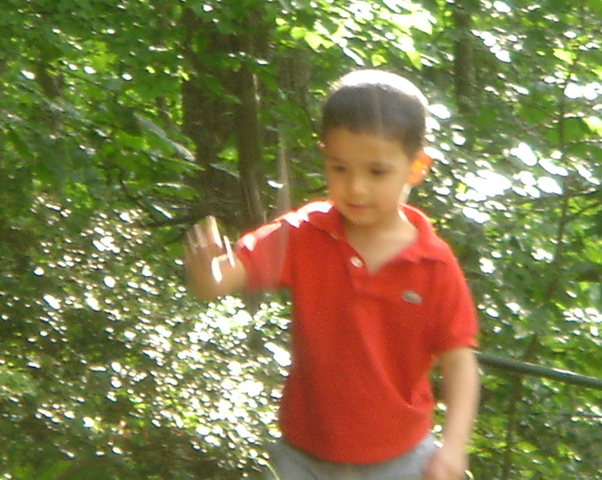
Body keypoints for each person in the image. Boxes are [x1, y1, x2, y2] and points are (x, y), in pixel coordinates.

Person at [184, 69, 480, 480]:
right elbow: (224, 278)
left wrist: (454, 447)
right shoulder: (303, 233)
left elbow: (460, 362)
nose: (355, 188)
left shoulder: (434, 264)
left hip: (401, 459)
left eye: (376, 172)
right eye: (339, 168)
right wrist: (208, 273)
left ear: (416, 167)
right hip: (304, 456)